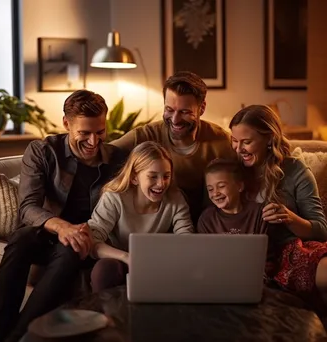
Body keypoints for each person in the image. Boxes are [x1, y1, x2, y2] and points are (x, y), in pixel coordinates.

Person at [0, 90, 126, 342]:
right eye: (84, 133)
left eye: (100, 132)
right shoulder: (43, 151)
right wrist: (63, 227)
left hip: (85, 240)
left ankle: (19, 336)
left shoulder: (117, 159)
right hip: (46, 231)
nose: (94, 142)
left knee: (71, 248)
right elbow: (28, 207)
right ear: (66, 124)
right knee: (20, 239)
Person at [229, 104, 327, 311]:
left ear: (269, 139)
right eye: (234, 141)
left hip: (290, 252)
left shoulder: (295, 170)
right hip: (243, 254)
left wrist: (289, 218)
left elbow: (321, 229)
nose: (239, 149)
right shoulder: (228, 170)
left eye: (247, 142)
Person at [110, 71, 235, 224]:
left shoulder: (222, 141)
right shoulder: (144, 135)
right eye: (169, 110)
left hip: (206, 226)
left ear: (201, 108)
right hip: (157, 226)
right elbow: (102, 153)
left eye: (184, 112)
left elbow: (251, 175)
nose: (175, 120)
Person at [88, 141, 194, 293]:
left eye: (166, 176)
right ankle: (106, 315)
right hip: (120, 261)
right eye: (153, 177)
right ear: (134, 178)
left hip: (159, 263)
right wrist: (127, 257)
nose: (161, 184)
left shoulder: (175, 199)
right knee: (104, 269)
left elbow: (186, 238)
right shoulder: (114, 198)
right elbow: (93, 240)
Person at [197, 158, 269, 235]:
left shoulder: (259, 213)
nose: (215, 194)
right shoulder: (207, 219)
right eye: (210, 189)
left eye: (221, 186)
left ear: (239, 186)